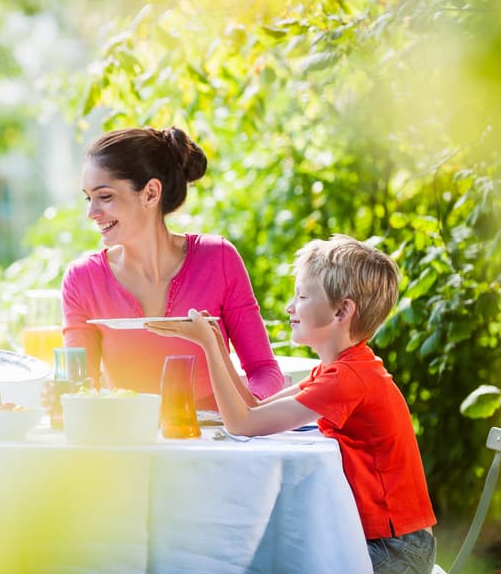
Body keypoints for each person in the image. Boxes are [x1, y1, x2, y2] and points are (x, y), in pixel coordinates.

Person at [148, 235, 437, 573]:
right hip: (386, 541)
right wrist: (213, 341)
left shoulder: (347, 379)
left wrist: (208, 349)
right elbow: (254, 408)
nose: (290, 307)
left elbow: (242, 424)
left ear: (342, 310)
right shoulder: (339, 369)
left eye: (301, 296)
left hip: (394, 550)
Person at [61, 127, 284, 408]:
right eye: (88, 198)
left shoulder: (218, 259)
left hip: (220, 443)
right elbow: (81, 385)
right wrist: (63, 398)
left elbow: (264, 369)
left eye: (105, 197)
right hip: (131, 445)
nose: (91, 213)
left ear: (151, 193)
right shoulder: (83, 279)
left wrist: (251, 409)